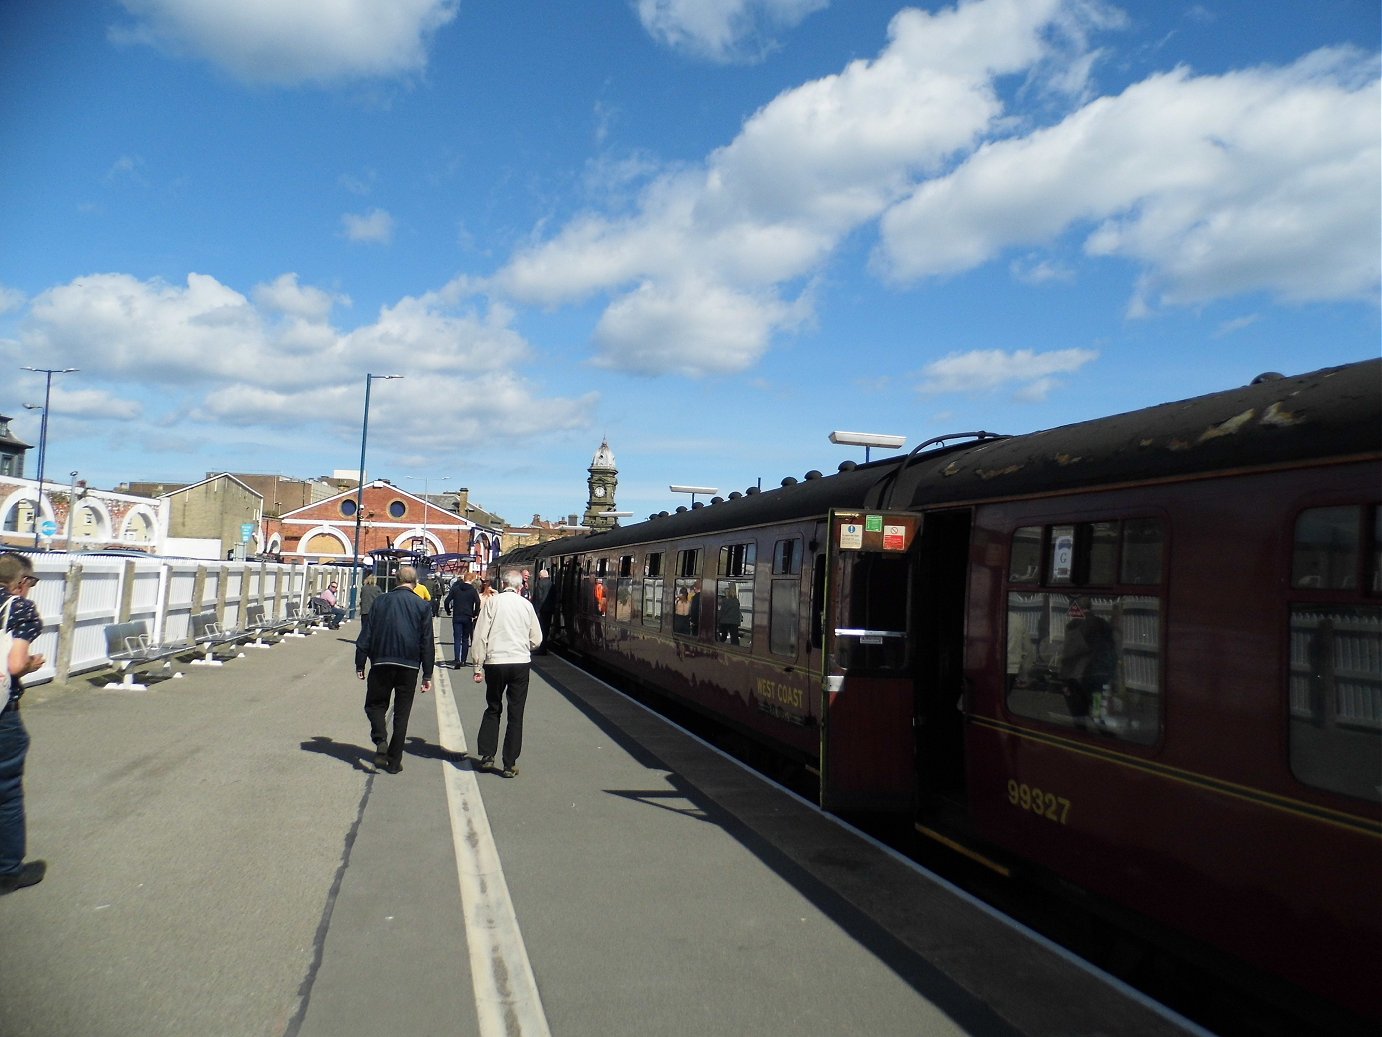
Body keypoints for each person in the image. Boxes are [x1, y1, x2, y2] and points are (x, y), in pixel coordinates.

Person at [355, 565, 435, 774]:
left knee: (375, 705)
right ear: (415, 582)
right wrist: (427, 673)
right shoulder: (422, 606)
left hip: (381, 661)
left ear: (396, 580)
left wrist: (360, 662)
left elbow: (367, 632)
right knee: (402, 713)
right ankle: (394, 760)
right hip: (409, 666)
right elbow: (427, 642)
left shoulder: (380, 602)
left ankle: (380, 740)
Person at [0, 553, 47, 894]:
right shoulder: (18, 608)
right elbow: (15, 665)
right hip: (3, 715)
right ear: (19, 582)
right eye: (30, 582)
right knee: (6, 792)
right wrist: (31, 664)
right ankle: (8, 871)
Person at [472, 569, 542, 778]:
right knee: (516, 712)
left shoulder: (492, 603)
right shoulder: (527, 606)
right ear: (520, 586)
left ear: (502, 584)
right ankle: (509, 763)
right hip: (520, 663)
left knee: (493, 707)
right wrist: (522, 647)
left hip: (495, 662)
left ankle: (487, 756)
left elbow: (480, 635)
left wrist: (478, 665)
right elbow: (536, 639)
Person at [444, 573, 481, 668]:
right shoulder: (473, 590)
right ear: (472, 580)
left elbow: (447, 601)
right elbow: (478, 602)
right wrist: (475, 613)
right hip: (468, 617)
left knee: (457, 638)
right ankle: (464, 660)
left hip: (457, 616)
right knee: (465, 639)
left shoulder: (456, 589)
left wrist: (448, 611)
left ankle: (457, 659)